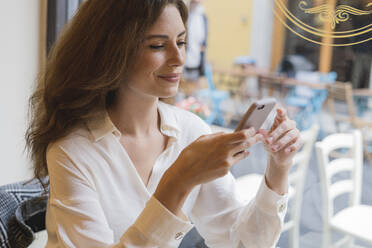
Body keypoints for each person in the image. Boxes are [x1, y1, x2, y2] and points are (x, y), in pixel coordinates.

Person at [25, 0, 302, 247]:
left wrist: (278, 169)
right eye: (157, 45)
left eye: (181, 42)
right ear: (112, 52)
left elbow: (240, 242)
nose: (179, 58)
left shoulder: (191, 132)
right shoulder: (72, 151)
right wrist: (179, 180)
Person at [183, 0, 208, 83]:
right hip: (185, 55)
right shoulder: (185, 14)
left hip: (197, 57)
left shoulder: (201, 16)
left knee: (193, 83)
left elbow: (202, 38)